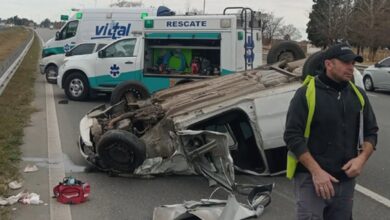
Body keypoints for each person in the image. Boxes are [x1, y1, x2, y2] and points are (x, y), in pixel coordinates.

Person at [284, 43, 378, 220]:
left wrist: (361, 159)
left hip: (345, 182)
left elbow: (371, 132)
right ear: (328, 64)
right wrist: (316, 172)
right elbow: (292, 136)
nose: (351, 67)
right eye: (345, 62)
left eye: (353, 63)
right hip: (312, 181)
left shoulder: (358, 95)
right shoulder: (306, 94)